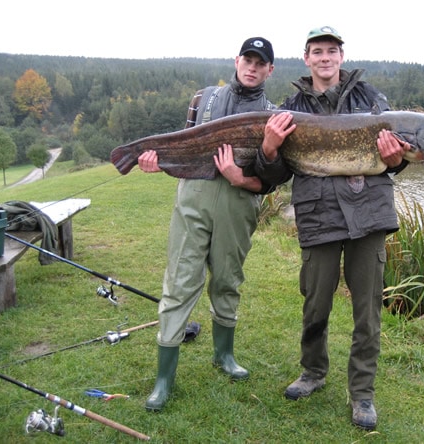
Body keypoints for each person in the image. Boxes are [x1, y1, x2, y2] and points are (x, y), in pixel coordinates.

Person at [254, 26, 410, 430]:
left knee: (367, 313)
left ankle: (362, 394)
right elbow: (275, 172)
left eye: (331, 51)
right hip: (318, 215)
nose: (325, 57)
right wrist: (269, 148)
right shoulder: (288, 108)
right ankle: (313, 372)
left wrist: (395, 159)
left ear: (342, 56)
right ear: (306, 58)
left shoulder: (373, 101)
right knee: (315, 304)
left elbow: (399, 159)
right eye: (317, 51)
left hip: (369, 217)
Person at [138, 37, 276, 412]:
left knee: (228, 278)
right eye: (247, 59)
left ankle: (223, 356)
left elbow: (272, 177)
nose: (252, 66)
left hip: (239, 203)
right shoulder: (203, 99)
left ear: (269, 70)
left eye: (260, 62)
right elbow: (182, 146)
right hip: (193, 198)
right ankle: (164, 379)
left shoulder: (274, 115)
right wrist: (158, 161)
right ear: (236, 61)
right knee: (181, 280)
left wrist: (239, 176)